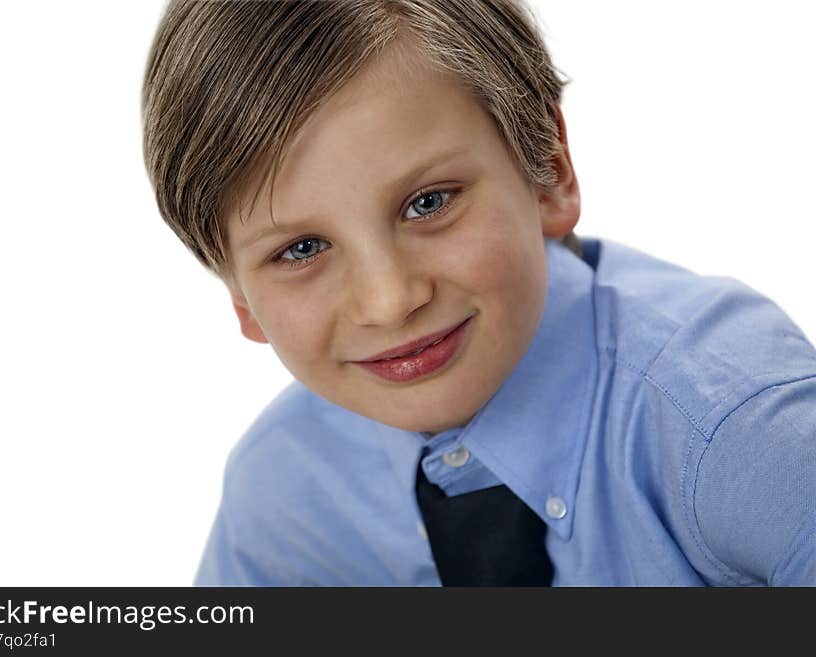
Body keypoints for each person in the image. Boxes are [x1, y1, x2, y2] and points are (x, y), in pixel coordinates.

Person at [141, 0, 815, 585]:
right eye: (301, 249)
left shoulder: (731, 426)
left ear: (548, 171)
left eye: (428, 202)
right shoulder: (284, 496)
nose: (389, 299)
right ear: (239, 297)